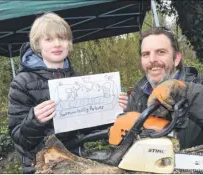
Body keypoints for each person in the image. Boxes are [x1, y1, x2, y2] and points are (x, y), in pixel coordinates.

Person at [8, 12, 128, 173]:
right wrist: (34, 120)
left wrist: (113, 109)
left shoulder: (78, 79)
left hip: (74, 160)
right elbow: (19, 138)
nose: (57, 44)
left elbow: (88, 128)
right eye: (49, 39)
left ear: (69, 43)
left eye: (62, 38)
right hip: (41, 165)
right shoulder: (21, 82)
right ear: (38, 44)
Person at [123, 27, 203, 152]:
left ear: (176, 59)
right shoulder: (137, 96)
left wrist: (189, 93)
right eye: (146, 54)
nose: (152, 60)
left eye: (161, 52)